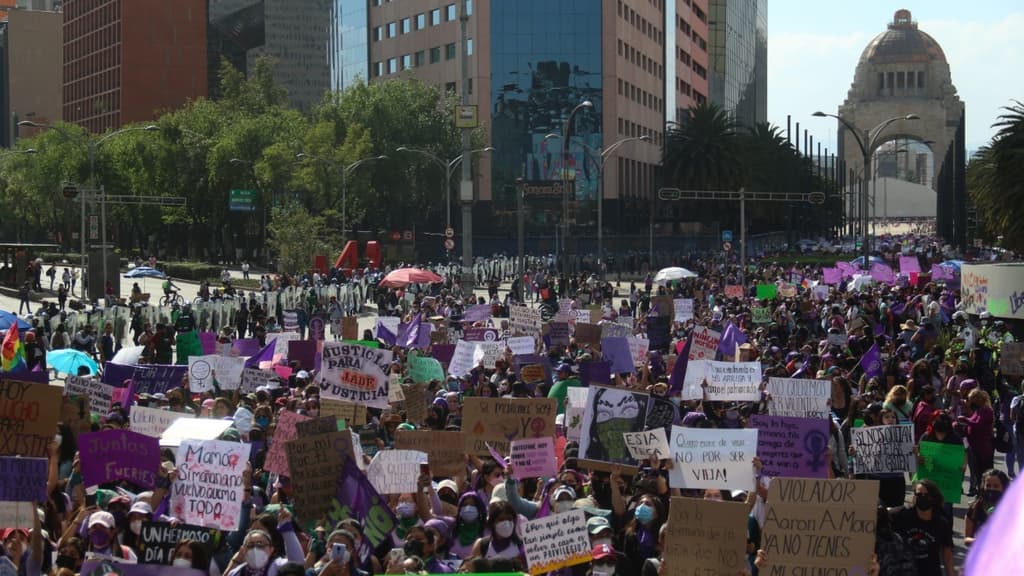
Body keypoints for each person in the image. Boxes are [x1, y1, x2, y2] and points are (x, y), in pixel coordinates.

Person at [890, 480, 954, 576]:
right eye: (919, 495)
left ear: (933, 498)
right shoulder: (901, 515)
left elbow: (947, 555)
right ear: (914, 497)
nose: (923, 498)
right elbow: (881, 514)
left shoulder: (941, 523)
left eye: (926, 495)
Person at [964, 469, 1010, 546]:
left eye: (996, 486)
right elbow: (967, 539)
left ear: (1003, 488)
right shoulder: (975, 508)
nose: (992, 489)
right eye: (988, 485)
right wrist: (978, 541)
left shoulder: (1011, 509)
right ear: (983, 486)